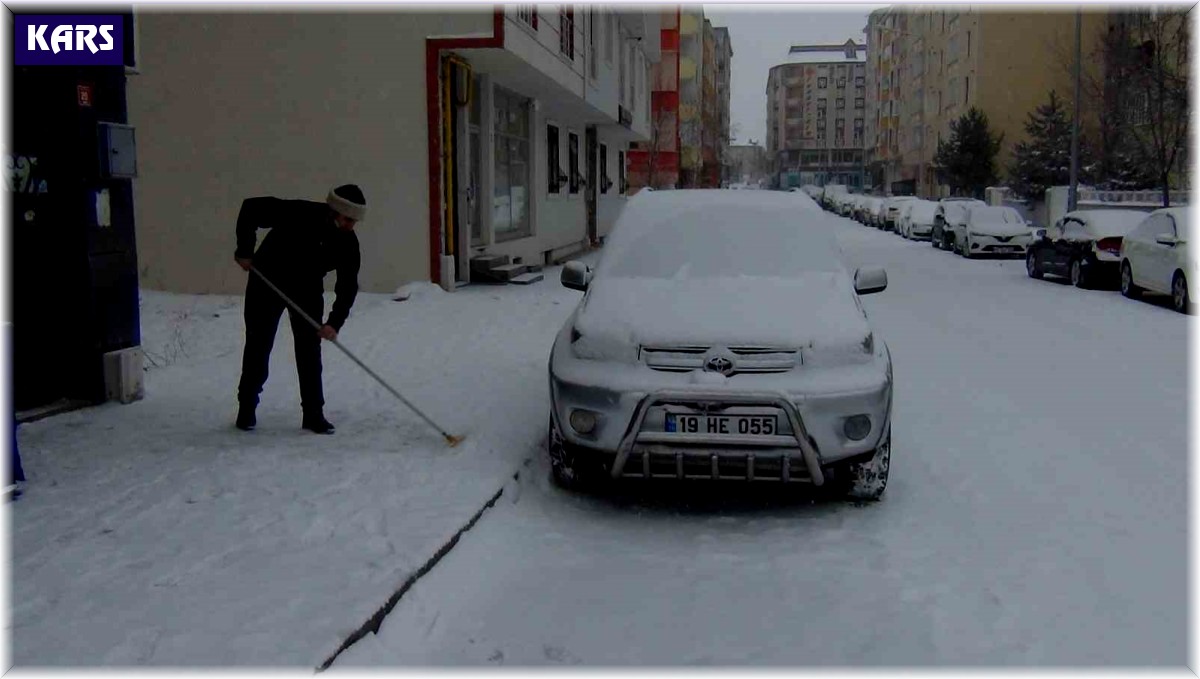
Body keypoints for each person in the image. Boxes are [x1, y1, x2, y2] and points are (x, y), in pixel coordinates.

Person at [233, 184, 365, 434]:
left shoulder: (348, 242)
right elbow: (251, 208)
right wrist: (245, 249)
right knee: (258, 345)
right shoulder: (298, 211)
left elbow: (347, 286)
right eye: (348, 219)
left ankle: (313, 414)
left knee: (309, 350)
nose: (351, 226)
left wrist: (334, 323)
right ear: (335, 210)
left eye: (355, 221)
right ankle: (247, 407)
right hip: (267, 281)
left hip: (306, 288)